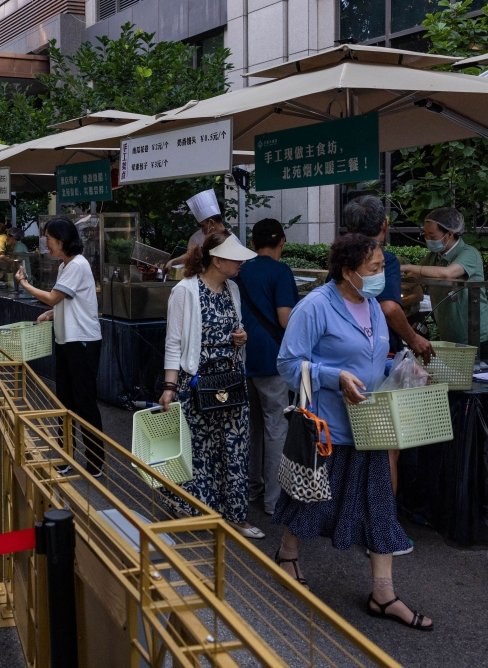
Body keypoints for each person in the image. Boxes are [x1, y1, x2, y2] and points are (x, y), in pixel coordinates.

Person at [274, 233, 432, 631]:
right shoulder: (314, 307)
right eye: (374, 269)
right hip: (327, 428)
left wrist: (402, 373)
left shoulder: (375, 307)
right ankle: (288, 556)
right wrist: (334, 376)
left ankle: (383, 594)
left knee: (381, 506)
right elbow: (289, 364)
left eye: (381, 267)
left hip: (370, 425)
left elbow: (375, 362)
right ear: (348, 272)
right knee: (308, 499)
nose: (381, 275)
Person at [159, 231, 264, 538]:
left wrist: (242, 337)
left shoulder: (233, 288)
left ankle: (235, 514)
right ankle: (195, 510)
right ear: (217, 260)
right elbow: (174, 342)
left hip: (230, 380)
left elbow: (238, 328)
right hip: (195, 382)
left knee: (234, 448)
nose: (240, 263)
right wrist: (169, 385)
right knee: (198, 451)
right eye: (235, 259)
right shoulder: (185, 291)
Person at [344, 194, 433, 500]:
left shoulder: (342, 260)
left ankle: (356, 519)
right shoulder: (385, 258)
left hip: (346, 364)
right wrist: (415, 339)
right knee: (386, 448)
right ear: (384, 225)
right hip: (379, 361)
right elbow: (390, 308)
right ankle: (384, 527)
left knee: (355, 446)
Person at [14, 216, 105, 475]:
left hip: (83, 341)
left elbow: (54, 298)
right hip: (67, 339)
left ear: (62, 241)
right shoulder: (66, 266)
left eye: (49, 240)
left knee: (84, 403)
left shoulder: (77, 265)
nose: (46, 245)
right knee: (65, 402)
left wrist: (24, 283)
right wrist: (50, 315)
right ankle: (66, 457)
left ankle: (95, 462)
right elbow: (67, 302)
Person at [237, 219, 298, 516]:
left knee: (253, 426)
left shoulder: (239, 269)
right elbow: (285, 319)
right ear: (282, 242)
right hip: (272, 358)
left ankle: (251, 489)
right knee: (276, 426)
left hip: (242, 355)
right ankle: (274, 501)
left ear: (252, 243)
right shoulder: (281, 271)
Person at [401, 207, 488, 362]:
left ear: (449, 234)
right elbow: (415, 276)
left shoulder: (469, 253)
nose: (427, 239)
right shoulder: (434, 256)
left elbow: (448, 273)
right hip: (450, 337)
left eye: (431, 235)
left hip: (477, 338)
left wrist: (409, 267)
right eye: (425, 235)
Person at [165, 189, 227, 269]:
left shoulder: (231, 240)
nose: (202, 230)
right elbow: (191, 256)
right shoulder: (197, 238)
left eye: (203, 225)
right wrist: (172, 262)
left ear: (211, 223)